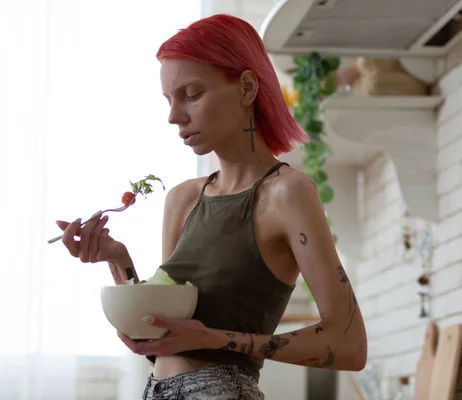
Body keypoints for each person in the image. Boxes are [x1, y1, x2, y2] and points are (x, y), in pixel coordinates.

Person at [56, 13, 367, 400]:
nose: (174, 116)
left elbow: (349, 344)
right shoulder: (183, 199)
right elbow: (164, 341)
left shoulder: (287, 193)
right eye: (169, 100)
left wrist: (215, 339)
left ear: (247, 87)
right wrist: (117, 259)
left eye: (191, 93)